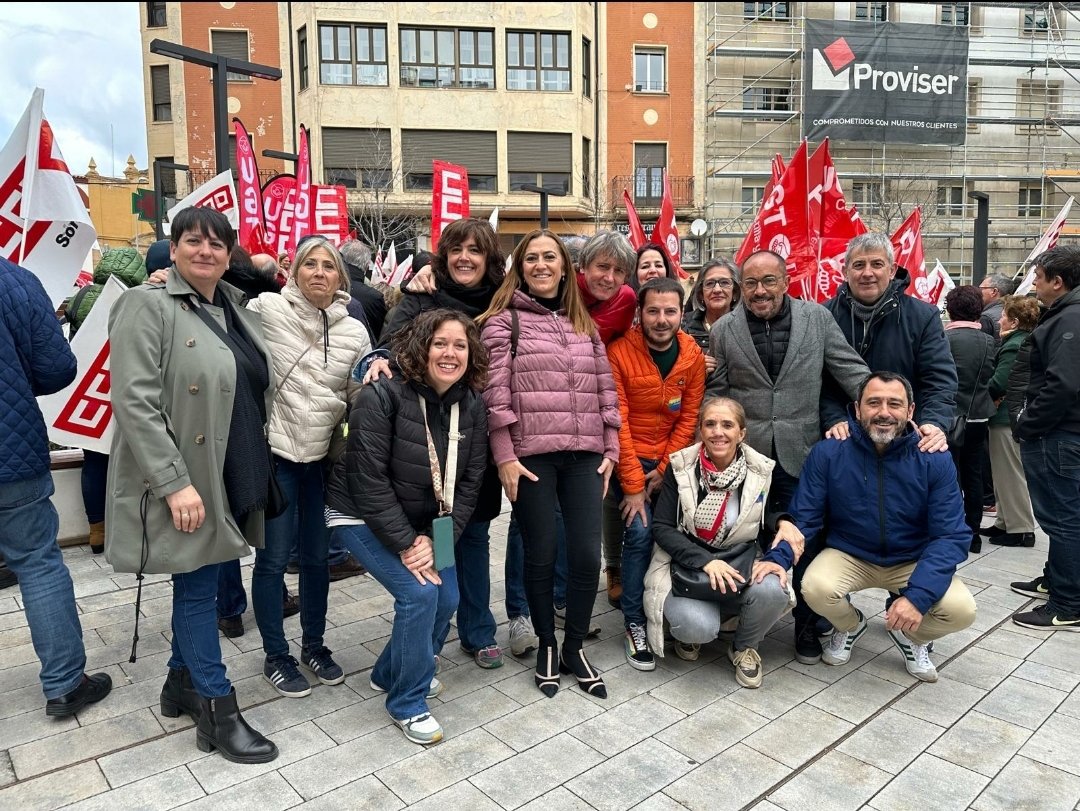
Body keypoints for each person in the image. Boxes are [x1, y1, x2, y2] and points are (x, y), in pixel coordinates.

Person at [107, 206, 276, 762]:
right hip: (188, 475)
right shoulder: (146, 305)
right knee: (199, 588)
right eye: (193, 241)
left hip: (230, 468)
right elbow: (134, 402)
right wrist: (175, 482)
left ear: (230, 255)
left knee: (200, 579)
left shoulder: (233, 308)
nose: (206, 251)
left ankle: (180, 681)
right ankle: (215, 708)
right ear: (173, 248)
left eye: (217, 244)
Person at [326, 310, 489, 744]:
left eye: (460, 345)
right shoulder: (382, 394)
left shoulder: (472, 404)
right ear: (422, 346)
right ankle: (408, 701)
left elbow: (470, 483)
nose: (450, 353)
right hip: (359, 513)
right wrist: (406, 544)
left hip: (432, 520)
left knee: (448, 595)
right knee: (419, 593)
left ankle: (390, 671)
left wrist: (441, 541)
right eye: (440, 343)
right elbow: (367, 479)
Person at [366, 218, 522, 667]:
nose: (465, 258)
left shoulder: (504, 300)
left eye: (475, 250)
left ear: (490, 258)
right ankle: (433, 628)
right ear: (444, 255)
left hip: (479, 433)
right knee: (440, 529)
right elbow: (389, 348)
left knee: (473, 534)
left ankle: (477, 630)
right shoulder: (421, 295)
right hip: (428, 439)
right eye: (456, 249)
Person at [707, 249, 869, 665]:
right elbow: (718, 391)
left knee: (807, 538)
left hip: (804, 454)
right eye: (751, 284)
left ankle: (809, 626)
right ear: (741, 287)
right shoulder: (724, 328)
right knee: (748, 534)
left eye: (769, 282)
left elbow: (848, 369)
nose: (760, 291)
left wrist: (884, 406)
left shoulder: (816, 319)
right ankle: (747, 620)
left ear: (786, 281)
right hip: (747, 458)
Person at [479, 229, 620, 699]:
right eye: (532, 258)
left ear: (565, 268)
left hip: (585, 455)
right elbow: (494, 396)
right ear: (520, 267)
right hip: (531, 457)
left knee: (584, 555)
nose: (542, 265)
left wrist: (612, 447)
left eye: (550, 258)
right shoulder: (502, 324)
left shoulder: (585, 327)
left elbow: (606, 389)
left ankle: (574, 646)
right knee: (540, 555)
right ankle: (545, 643)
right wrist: (504, 456)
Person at [247, 236, 371, 698]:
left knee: (318, 560)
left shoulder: (354, 331)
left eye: (329, 266)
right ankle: (275, 654)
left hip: (322, 461)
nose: (319, 272)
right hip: (275, 456)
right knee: (274, 558)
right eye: (310, 264)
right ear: (293, 271)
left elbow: (360, 393)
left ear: (341, 276)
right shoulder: (264, 309)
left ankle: (314, 645)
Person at [794, 373, 977, 682]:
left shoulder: (933, 458)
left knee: (961, 610)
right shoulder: (830, 452)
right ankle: (850, 626)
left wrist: (917, 597)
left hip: (911, 558)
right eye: (874, 402)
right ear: (856, 409)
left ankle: (912, 637)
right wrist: (776, 559)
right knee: (814, 587)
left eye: (895, 404)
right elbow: (804, 518)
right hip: (852, 555)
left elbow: (951, 535)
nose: (883, 412)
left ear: (910, 411)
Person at [0, 257, 113, 718]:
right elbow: (57, 368)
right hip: (12, 452)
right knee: (38, 562)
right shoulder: (15, 281)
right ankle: (65, 683)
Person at [645, 398, 802, 684]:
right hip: (690, 565)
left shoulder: (762, 469)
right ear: (700, 431)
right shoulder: (680, 467)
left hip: (740, 559)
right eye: (710, 424)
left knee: (773, 590)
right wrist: (707, 562)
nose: (719, 432)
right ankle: (698, 630)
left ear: (741, 433)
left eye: (727, 425)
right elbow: (663, 527)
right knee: (697, 628)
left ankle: (743, 646)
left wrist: (784, 521)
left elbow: (766, 512)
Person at [606, 277, 705, 670]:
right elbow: (618, 421)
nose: (661, 320)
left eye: (669, 311)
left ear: (682, 313)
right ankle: (633, 621)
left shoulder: (692, 356)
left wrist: (665, 469)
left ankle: (671, 611)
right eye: (653, 311)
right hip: (629, 456)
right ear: (639, 313)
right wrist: (633, 485)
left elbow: (689, 417)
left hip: (672, 461)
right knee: (641, 533)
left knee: (679, 534)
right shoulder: (618, 352)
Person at [821, 233, 956, 451]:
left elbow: (939, 380)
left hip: (906, 440)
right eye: (858, 265)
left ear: (892, 271)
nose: (867, 273)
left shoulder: (923, 317)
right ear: (845, 272)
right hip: (843, 441)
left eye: (877, 264)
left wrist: (934, 422)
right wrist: (833, 418)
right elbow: (818, 381)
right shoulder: (823, 315)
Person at [1011, 246, 1080, 631]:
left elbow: (1062, 384)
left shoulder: (1071, 318)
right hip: (1059, 434)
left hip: (1059, 436)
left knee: (1064, 519)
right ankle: (1055, 581)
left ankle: (1067, 603)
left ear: (1058, 281)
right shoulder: (1065, 315)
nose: (1033, 283)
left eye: (1038, 276)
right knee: (1061, 517)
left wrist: (1028, 423)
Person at [64, 248, 148, 554]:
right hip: (129, 384)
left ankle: (97, 530)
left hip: (88, 391)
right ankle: (133, 527)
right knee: (134, 458)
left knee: (94, 460)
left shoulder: (81, 296)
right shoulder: (136, 298)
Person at [574, 231, 638, 607]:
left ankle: (607, 569)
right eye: (602, 266)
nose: (609, 277)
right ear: (583, 267)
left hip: (599, 408)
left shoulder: (627, 299)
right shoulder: (562, 289)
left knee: (598, 498)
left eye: (618, 270)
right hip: (552, 410)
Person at [983, 295, 1040, 548]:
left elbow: (1001, 381)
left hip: (1005, 417)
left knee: (1010, 473)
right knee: (1002, 473)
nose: (999, 319)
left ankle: (1020, 528)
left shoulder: (1014, 345)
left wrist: (985, 394)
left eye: (1004, 315)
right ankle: (1005, 522)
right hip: (1005, 416)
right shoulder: (1019, 341)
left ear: (1015, 321)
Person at [943, 286, 996, 554]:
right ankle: (973, 533)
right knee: (973, 476)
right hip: (979, 416)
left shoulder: (943, 339)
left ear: (951, 309)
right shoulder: (989, 340)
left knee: (948, 476)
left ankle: (951, 532)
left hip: (949, 418)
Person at [683, 258, 741, 376]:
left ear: (735, 292)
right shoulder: (683, 326)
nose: (717, 290)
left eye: (724, 283)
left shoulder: (747, 326)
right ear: (701, 293)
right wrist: (693, 368)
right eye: (709, 284)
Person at [978, 273, 1015, 338]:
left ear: (994, 292)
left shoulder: (986, 318)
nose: (978, 292)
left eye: (981, 289)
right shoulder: (1016, 311)